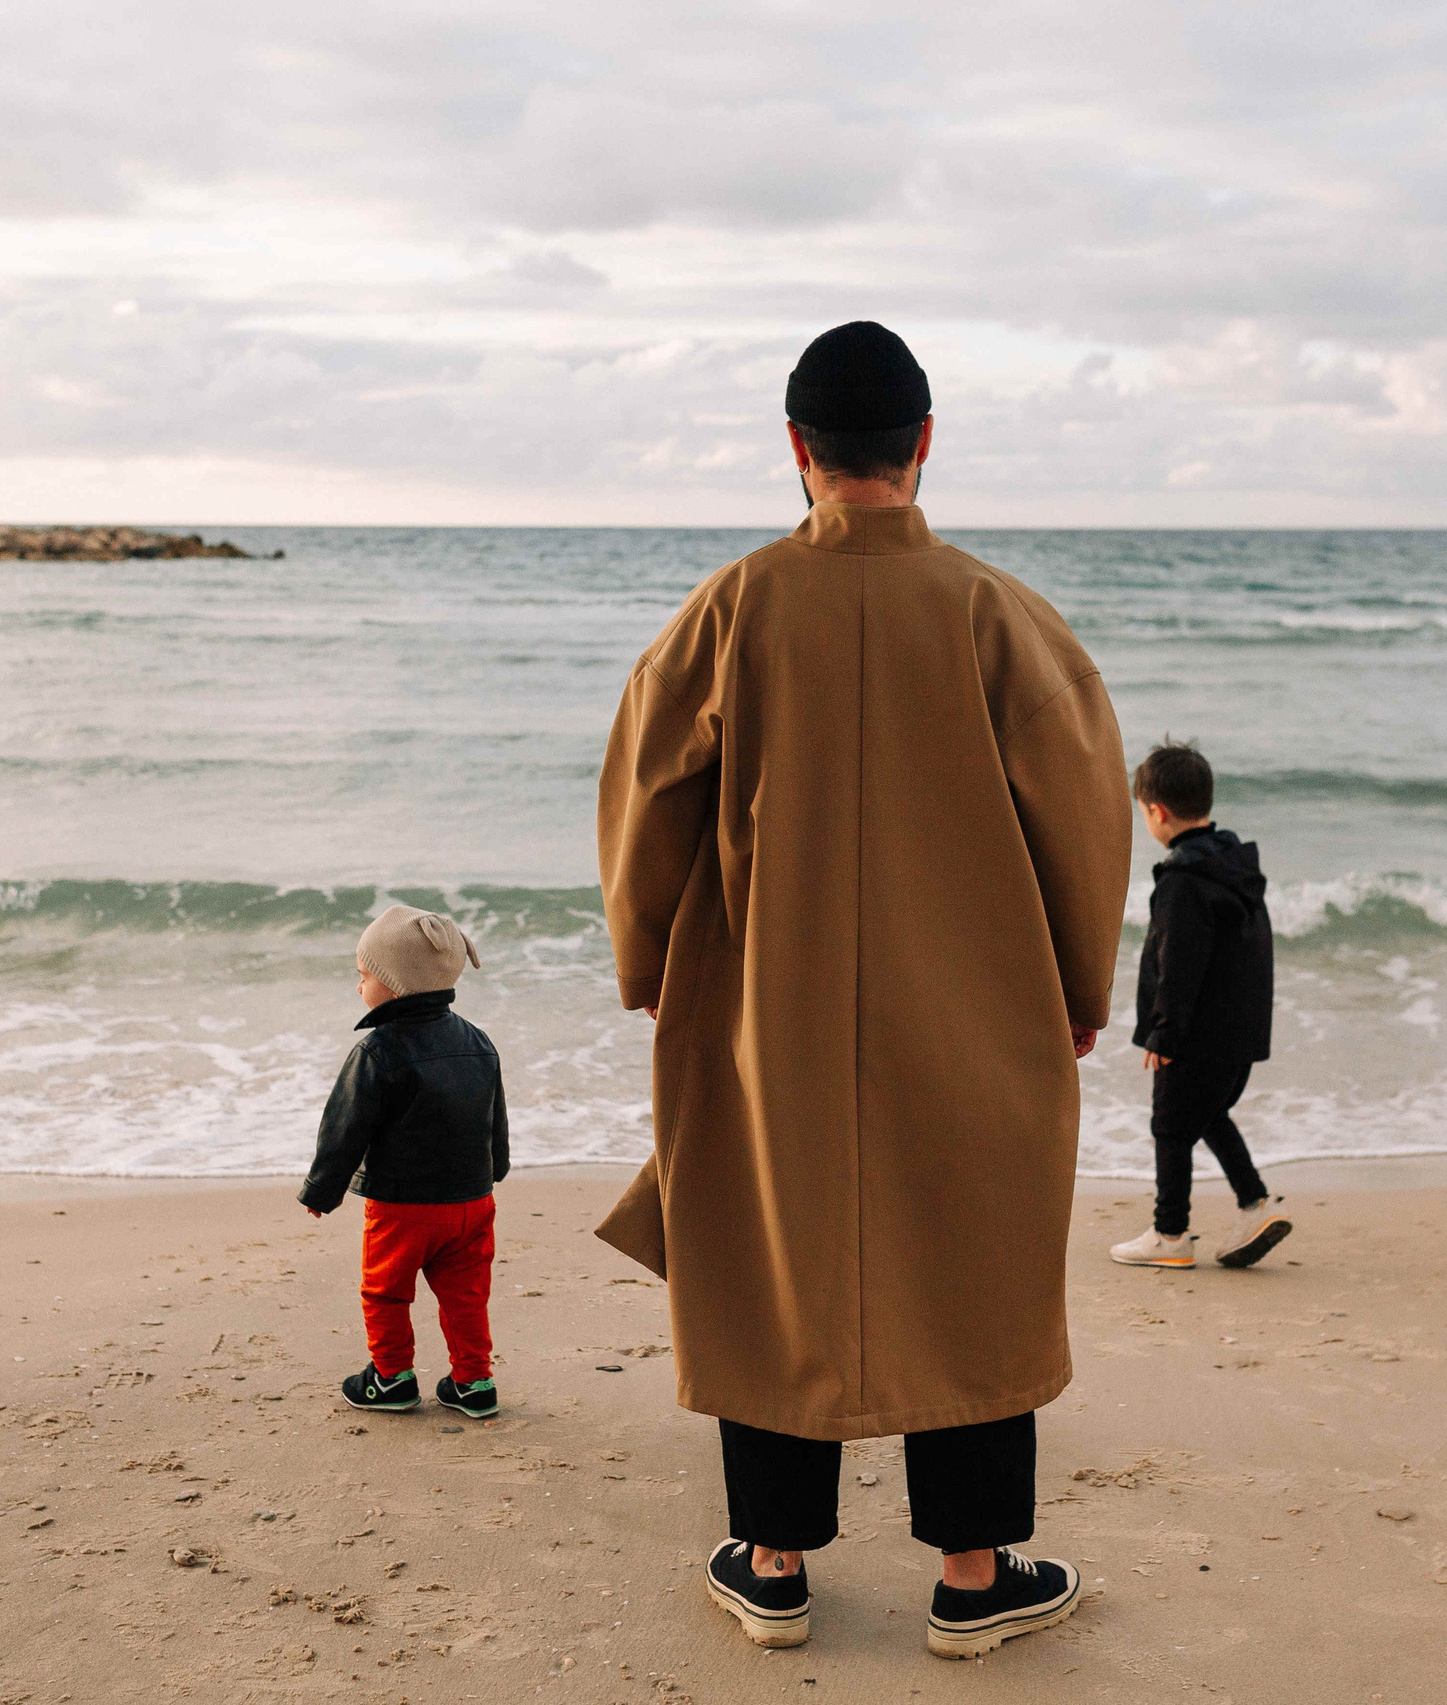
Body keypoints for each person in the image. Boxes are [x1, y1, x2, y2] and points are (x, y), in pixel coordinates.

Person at [592, 321, 1131, 1660]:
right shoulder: (997, 614)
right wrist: (1080, 980)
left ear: (798, 450)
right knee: (974, 1248)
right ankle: (971, 1571)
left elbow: (648, 795)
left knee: (777, 1242)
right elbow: (1081, 813)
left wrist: (649, 958)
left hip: (767, 998)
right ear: (925, 442)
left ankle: (772, 1561)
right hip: (976, 993)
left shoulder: (732, 607)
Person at [298, 903, 509, 1421]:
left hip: (403, 1207)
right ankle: (473, 1383)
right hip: (473, 1203)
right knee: (465, 1294)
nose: (358, 986)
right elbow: (493, 1115)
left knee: (386, 1292)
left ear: (395, 984)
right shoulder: (478, 1041)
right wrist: (494, 1167)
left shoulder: (378, 1052)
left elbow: (344, 1128)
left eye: (364, 975)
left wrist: (321, 1191)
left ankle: (390, 1379)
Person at [1109, 742, 1289, 1271]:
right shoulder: (1234, 867)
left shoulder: (1184, 882)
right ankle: (1257, 1203)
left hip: (1196, 1034)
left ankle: (1170, 1234)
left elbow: (1179, 965)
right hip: (1240, 1032)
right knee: (1207, 1115)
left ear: (1155, 811)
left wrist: (1163, 1035)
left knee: (1170, 1125)